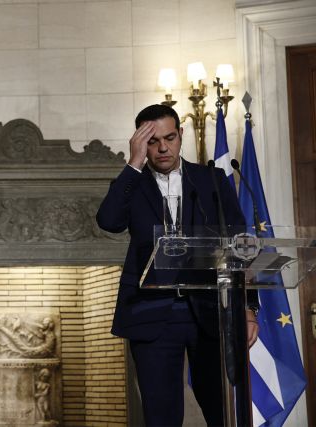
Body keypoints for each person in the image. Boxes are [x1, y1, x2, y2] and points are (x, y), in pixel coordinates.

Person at [96, 104, 259, 426]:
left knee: (222, 413)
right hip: (151, 313)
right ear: (140, 142)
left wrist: (248, 308)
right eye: (152, 141)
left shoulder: (211, 180)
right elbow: (109, 222)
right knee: (162, 418)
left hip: (210, 311)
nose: (163, 148)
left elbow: (240, 246)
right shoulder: (132, 182)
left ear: (181, 134)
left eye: (169, 138)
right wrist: (133, 163)